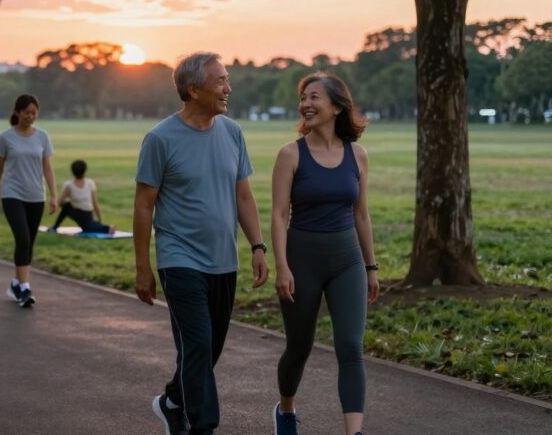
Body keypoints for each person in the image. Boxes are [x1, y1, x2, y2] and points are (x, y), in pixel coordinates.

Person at [133, 52, 270, 435]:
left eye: (227, 79)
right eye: (220, 81)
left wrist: (258, 246)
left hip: (223, 259)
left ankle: (173, 400)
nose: (228, 87)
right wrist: (143, 268)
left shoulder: (232, 132)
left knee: (208, 349)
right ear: (193, 90)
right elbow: (144, 205)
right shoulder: (160, 139)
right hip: (179, 258)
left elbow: (243, 196)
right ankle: (204, 426)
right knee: (198, 343)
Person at [270, 72, 379, 435]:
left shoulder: (358, 156)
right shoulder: (290, 154)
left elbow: (361, 214)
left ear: (336, 106)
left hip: (347, 260)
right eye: (303, 97)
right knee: (299, 346)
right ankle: (285, 410)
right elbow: (278, 214)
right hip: (302, 261)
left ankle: (354, 432)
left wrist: (371, 267)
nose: (306, 104)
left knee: (350, 346)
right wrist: (281, 266)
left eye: (314, 97)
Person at [0, 94, 57, 308]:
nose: (31, 116)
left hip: (36, 196)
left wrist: (54, 195)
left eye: (34, 113)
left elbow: (47, 168)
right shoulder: (6, 138)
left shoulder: (42, 137)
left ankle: (16, 283)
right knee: (23, 238)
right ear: (17, 112)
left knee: (29, 242)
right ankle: (25, 289)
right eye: (27, 112)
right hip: (12, 194)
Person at [50, 159, 114, 234]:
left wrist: (52, 209)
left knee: (67, 207)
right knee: (89, 224)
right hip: (88, 214)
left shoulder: (69, 185)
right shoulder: (90, 183)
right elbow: (95, 204)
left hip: (80, 215)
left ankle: (55, 227)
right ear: (85, 170)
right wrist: (100, 219)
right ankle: (103, 226)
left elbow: (60, 201)